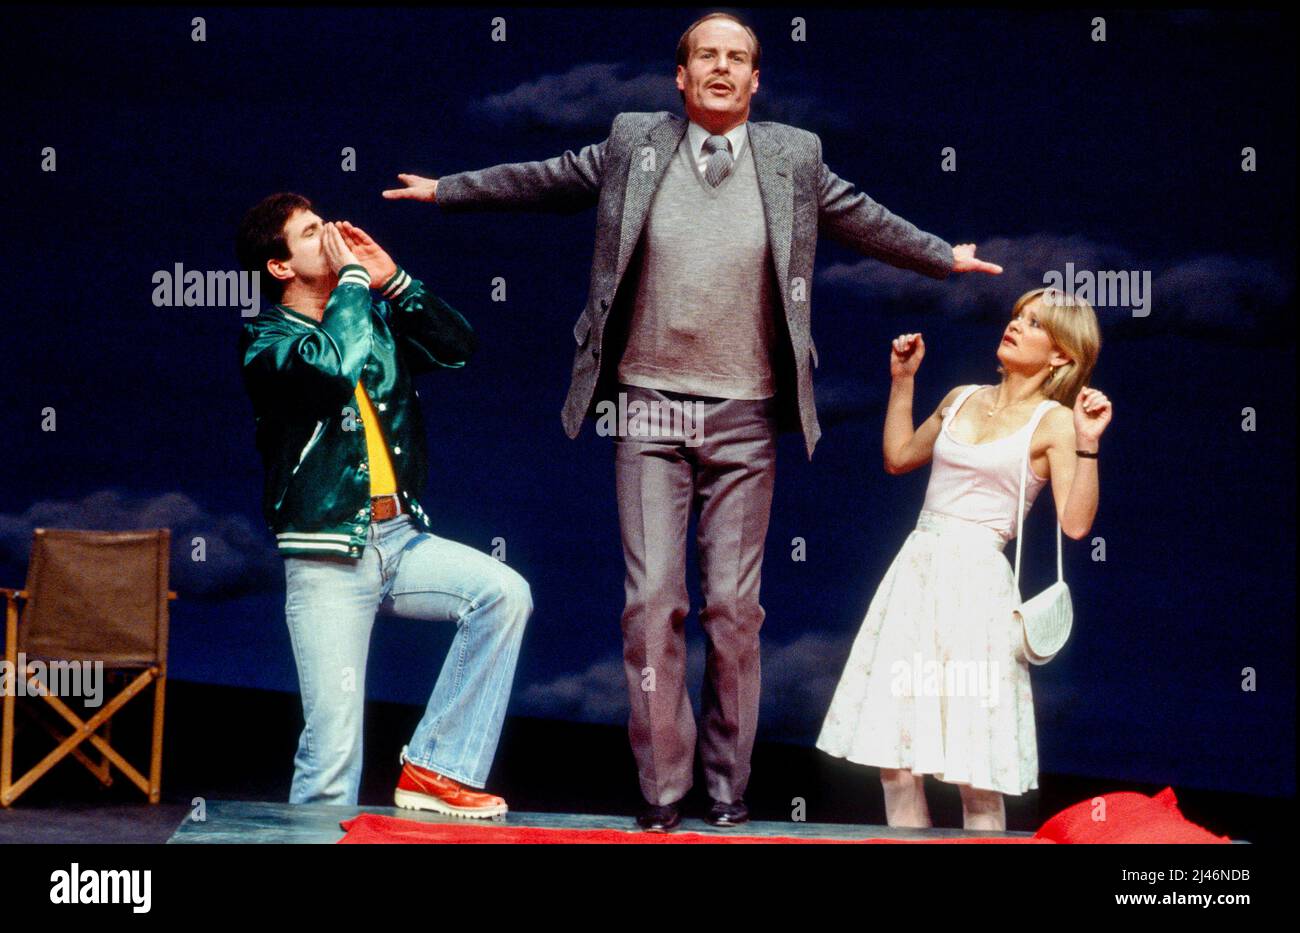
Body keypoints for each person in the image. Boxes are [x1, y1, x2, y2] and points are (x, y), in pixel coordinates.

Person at [382, 12, 1001, 832]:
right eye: (705, 56)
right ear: (680, 76)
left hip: (745, 415)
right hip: (647, 408)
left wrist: (942, 256)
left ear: (755, 80)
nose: (720, 68)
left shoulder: (792, 158)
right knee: (650, 605)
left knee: (734, 614)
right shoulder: (634, 140)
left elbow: (864, 216)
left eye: (736, 58)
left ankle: (726, 789)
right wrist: (448, 190)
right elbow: (548, 177)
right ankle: (666, 792)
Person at [236, 193, 531, 817]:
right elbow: (333, 368)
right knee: (332, 747)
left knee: (503, 594)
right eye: (312, 233)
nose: (333, 237)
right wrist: (350, 283)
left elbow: (459, 346)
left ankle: (436, 768)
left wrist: (394, 283)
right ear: (280, 267)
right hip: (328, 555)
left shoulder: (370, 318)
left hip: (399, 538)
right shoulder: (265, 341)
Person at [816, 286, 1112, 830]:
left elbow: (1075, 525)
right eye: (1018, 316)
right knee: (897, 763)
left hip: (978, 590)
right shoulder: (959, 398)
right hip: (917, 574)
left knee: (976, 771)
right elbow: (899, 458)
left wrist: (1088, 441)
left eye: (1036, 324)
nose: (1016, 326)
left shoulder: (1054, 423)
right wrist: (903, 381)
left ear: (1061, 355)